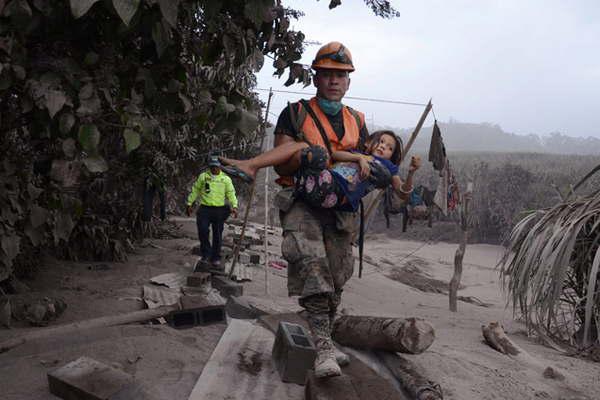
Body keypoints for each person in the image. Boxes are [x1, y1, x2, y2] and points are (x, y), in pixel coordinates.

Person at [263, 41, 417, 379]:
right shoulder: (295, 113)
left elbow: (368, 167)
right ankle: (322, 348)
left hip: (342, 209)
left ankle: (327, 339)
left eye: (341, 76)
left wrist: (378, 174)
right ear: (316, 78)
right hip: (302, 201)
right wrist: (306, 158)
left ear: (348, 82)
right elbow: (281, 163)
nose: (334, 81)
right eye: (328, 74)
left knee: (337, 274)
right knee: (312, 266)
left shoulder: (358, 121)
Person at [220, 130, 421, 212]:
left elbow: (402, 192)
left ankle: (252, 166)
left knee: (311, 152)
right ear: (369, 143)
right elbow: (336, 155)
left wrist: (411, 172)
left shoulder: (388, 168)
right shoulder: (360, 155)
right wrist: (359, 158)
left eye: (389, 147)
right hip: (321, 182)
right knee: (308, 150)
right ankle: (251, 165)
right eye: (381, 141)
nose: (383, 147)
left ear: (392, 155)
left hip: (335, 195)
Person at [186, 156, 238, 268]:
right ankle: (206, 254)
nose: (214, 169)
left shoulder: (225, 179)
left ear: (220, 167)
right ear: (209, 166)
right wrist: (190, 203)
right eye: (212, 167)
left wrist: (234, 206)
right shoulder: (203, 177)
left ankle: (215, 257)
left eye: (216, 166)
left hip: (219, 210)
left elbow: (231, 193)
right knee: (203, 231)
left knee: (217, 234)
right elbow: (195, 190)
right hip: (205, 209)